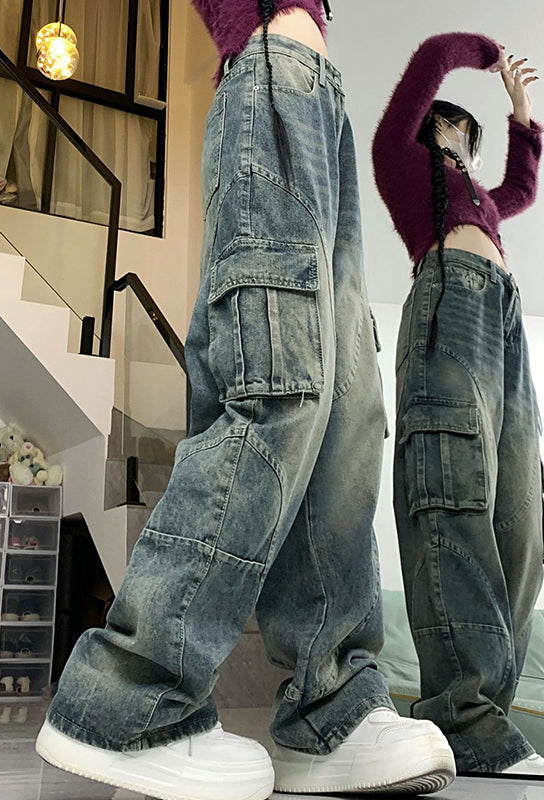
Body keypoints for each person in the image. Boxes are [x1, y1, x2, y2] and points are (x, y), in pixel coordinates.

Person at [34, 4, 456, 798]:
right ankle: (130, 696)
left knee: (347, 420)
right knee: (277, 389)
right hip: (272, 79)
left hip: (319, 101)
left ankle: (332, 711)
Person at [373, 32, 544, 774]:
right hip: (450, 299)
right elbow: (428, 62)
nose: (463, 146)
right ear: (428, 127)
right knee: (453, 489)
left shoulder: (484, 206)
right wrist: (485, 53)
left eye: (470, 141)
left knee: (522, 517)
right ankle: (463, 715)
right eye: (454, 130)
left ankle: (484, 715)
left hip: (503, 311)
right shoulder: (400, 162)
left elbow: (523, 190)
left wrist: (520, 112)